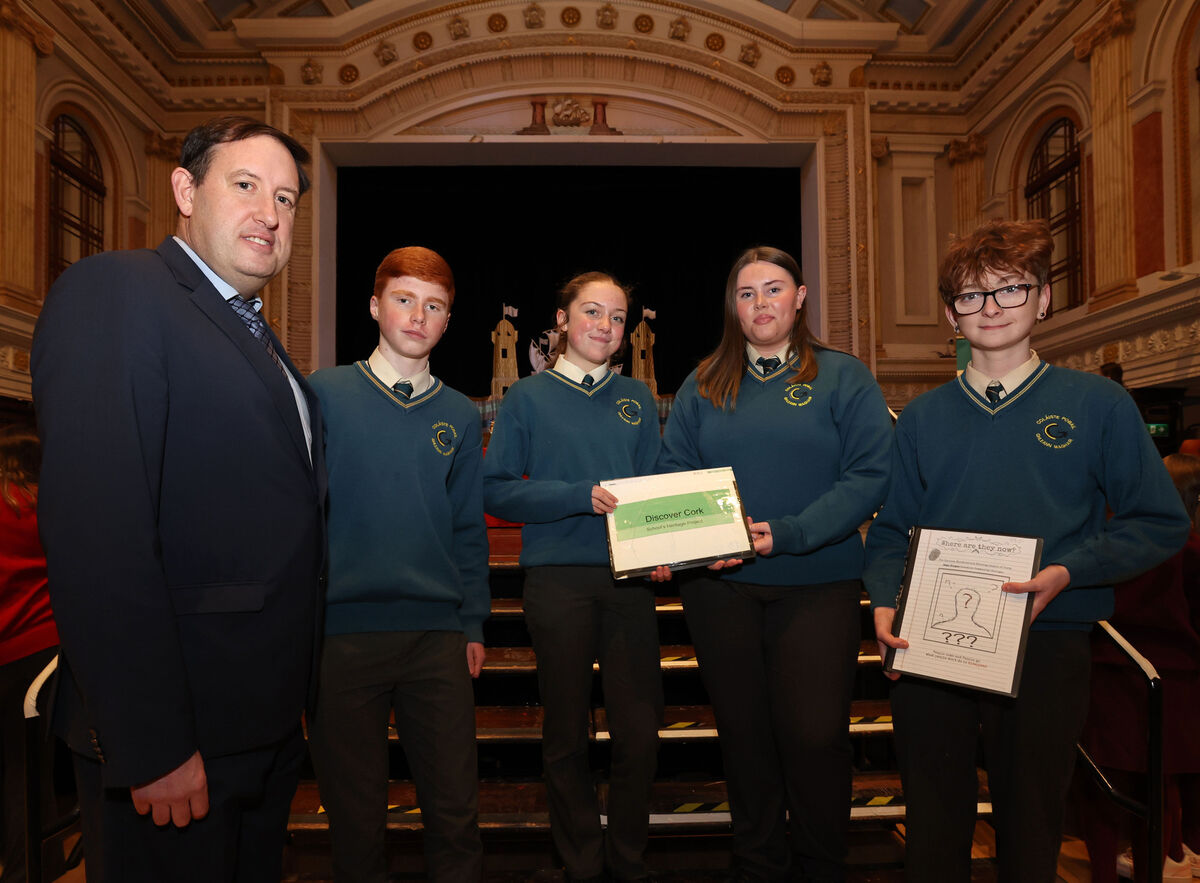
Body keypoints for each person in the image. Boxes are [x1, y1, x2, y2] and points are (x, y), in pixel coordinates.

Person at [31, 115, 326, 883]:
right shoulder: (119, 291)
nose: (271, 211)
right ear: (185, 190)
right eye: (246, 185)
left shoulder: (260, 340)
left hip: (255, 732)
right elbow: (101, 535)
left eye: (288, 198)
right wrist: (151, 743)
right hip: (173, 743)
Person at [863, 218, 1192, 883]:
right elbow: (895, 528)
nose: (989, 309)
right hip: (933, 640)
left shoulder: (1099, 405)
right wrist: (882, 602)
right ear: (950, 312)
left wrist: (1071, 570)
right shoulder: (923, 417)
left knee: (1031, 821)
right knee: (933, 819)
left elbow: (1159, 520)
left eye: (1009, 290)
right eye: (970, 295)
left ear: (1042, 299)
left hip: (1047, 635)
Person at [657, 245, 893, 882]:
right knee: (744, 735)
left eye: (773, 289)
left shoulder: (843, 376)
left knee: (815, 737)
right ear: (732, 306)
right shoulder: (704, 381)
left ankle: (820, 860)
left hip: (817, 584)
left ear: (801, 297)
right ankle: (757, 860)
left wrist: (787, 534)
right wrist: (672, 541)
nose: (760, 303)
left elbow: (870, 475)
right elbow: (674, 474)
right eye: (746, 293)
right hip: (719, 590)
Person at [306, 246, 488, 882]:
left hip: (435, 639)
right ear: (376, 305)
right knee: (355, 821)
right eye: (405, 299)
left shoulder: (460, 414)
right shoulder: (323, 393)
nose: (419, 315)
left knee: (454, 813)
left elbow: (468, 526)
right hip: (341, 636)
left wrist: (473, 621)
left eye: (435, 306)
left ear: (447, 321)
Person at [483, 272, 662, 883]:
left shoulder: (637, 396)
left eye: (617, 317)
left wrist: (670, 542)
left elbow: (655, 491)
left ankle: (629, 859)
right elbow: (497, 488)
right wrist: (575, 497)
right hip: (557, 580)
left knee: (639, 733)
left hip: (630, 581)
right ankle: (581, 861)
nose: (605, 326)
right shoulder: (527, 400)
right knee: (566, 733)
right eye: (592, 312)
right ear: (561, 320)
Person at [1077, 452, 1200, 883]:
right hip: (1174, 679)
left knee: (1102, 794)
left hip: (1111, 671)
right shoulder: (1185, 545)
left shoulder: (1103, 541)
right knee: (1160, 790)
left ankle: (1103, 876)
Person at [0, 426, 59, 882]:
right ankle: (40, 866)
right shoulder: (50, 507)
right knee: (32, 775)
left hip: (5, 655)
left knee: (15, 776)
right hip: (46, 656)